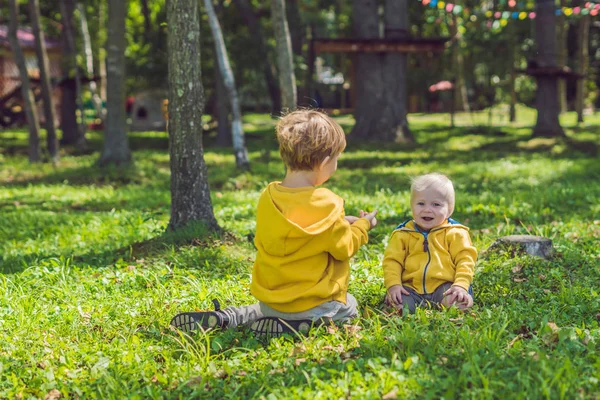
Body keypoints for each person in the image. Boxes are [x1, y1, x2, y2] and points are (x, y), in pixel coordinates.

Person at [170, 109, 378, 336]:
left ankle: (228, 317)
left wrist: (339, 222)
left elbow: (299, 231)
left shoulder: (268, 198)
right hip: (315, 302)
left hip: (271, 301)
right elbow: (344, 248)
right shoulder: (326, 203)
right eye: (336, 159)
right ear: (325, 162)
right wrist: (362, 225)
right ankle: (302, 326)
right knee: (351, 306)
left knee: (261, 311)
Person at [383, 173, 477, 314]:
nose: (427, 209)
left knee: (457, 302)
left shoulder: (456, 233)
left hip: (445, 286)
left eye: (436, 204)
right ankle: (401, 306)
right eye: (421, 203)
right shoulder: (403, 234)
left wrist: (461, 285)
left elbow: (465, 260)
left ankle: (459, 299)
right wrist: (394, 285)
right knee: (398, 304)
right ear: (412, 206)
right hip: (410, 288)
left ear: (449, 209)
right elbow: (392, 262)